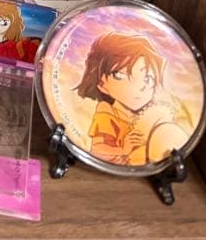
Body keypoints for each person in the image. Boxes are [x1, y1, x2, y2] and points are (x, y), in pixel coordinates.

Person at [76, 32, 190, 167]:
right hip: (117, 166)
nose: (140, 86)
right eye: (120, 76)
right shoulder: (107, 114)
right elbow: (98, 151)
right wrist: (123, 149)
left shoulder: (149, 113)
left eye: (147, 78)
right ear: (102, 84)